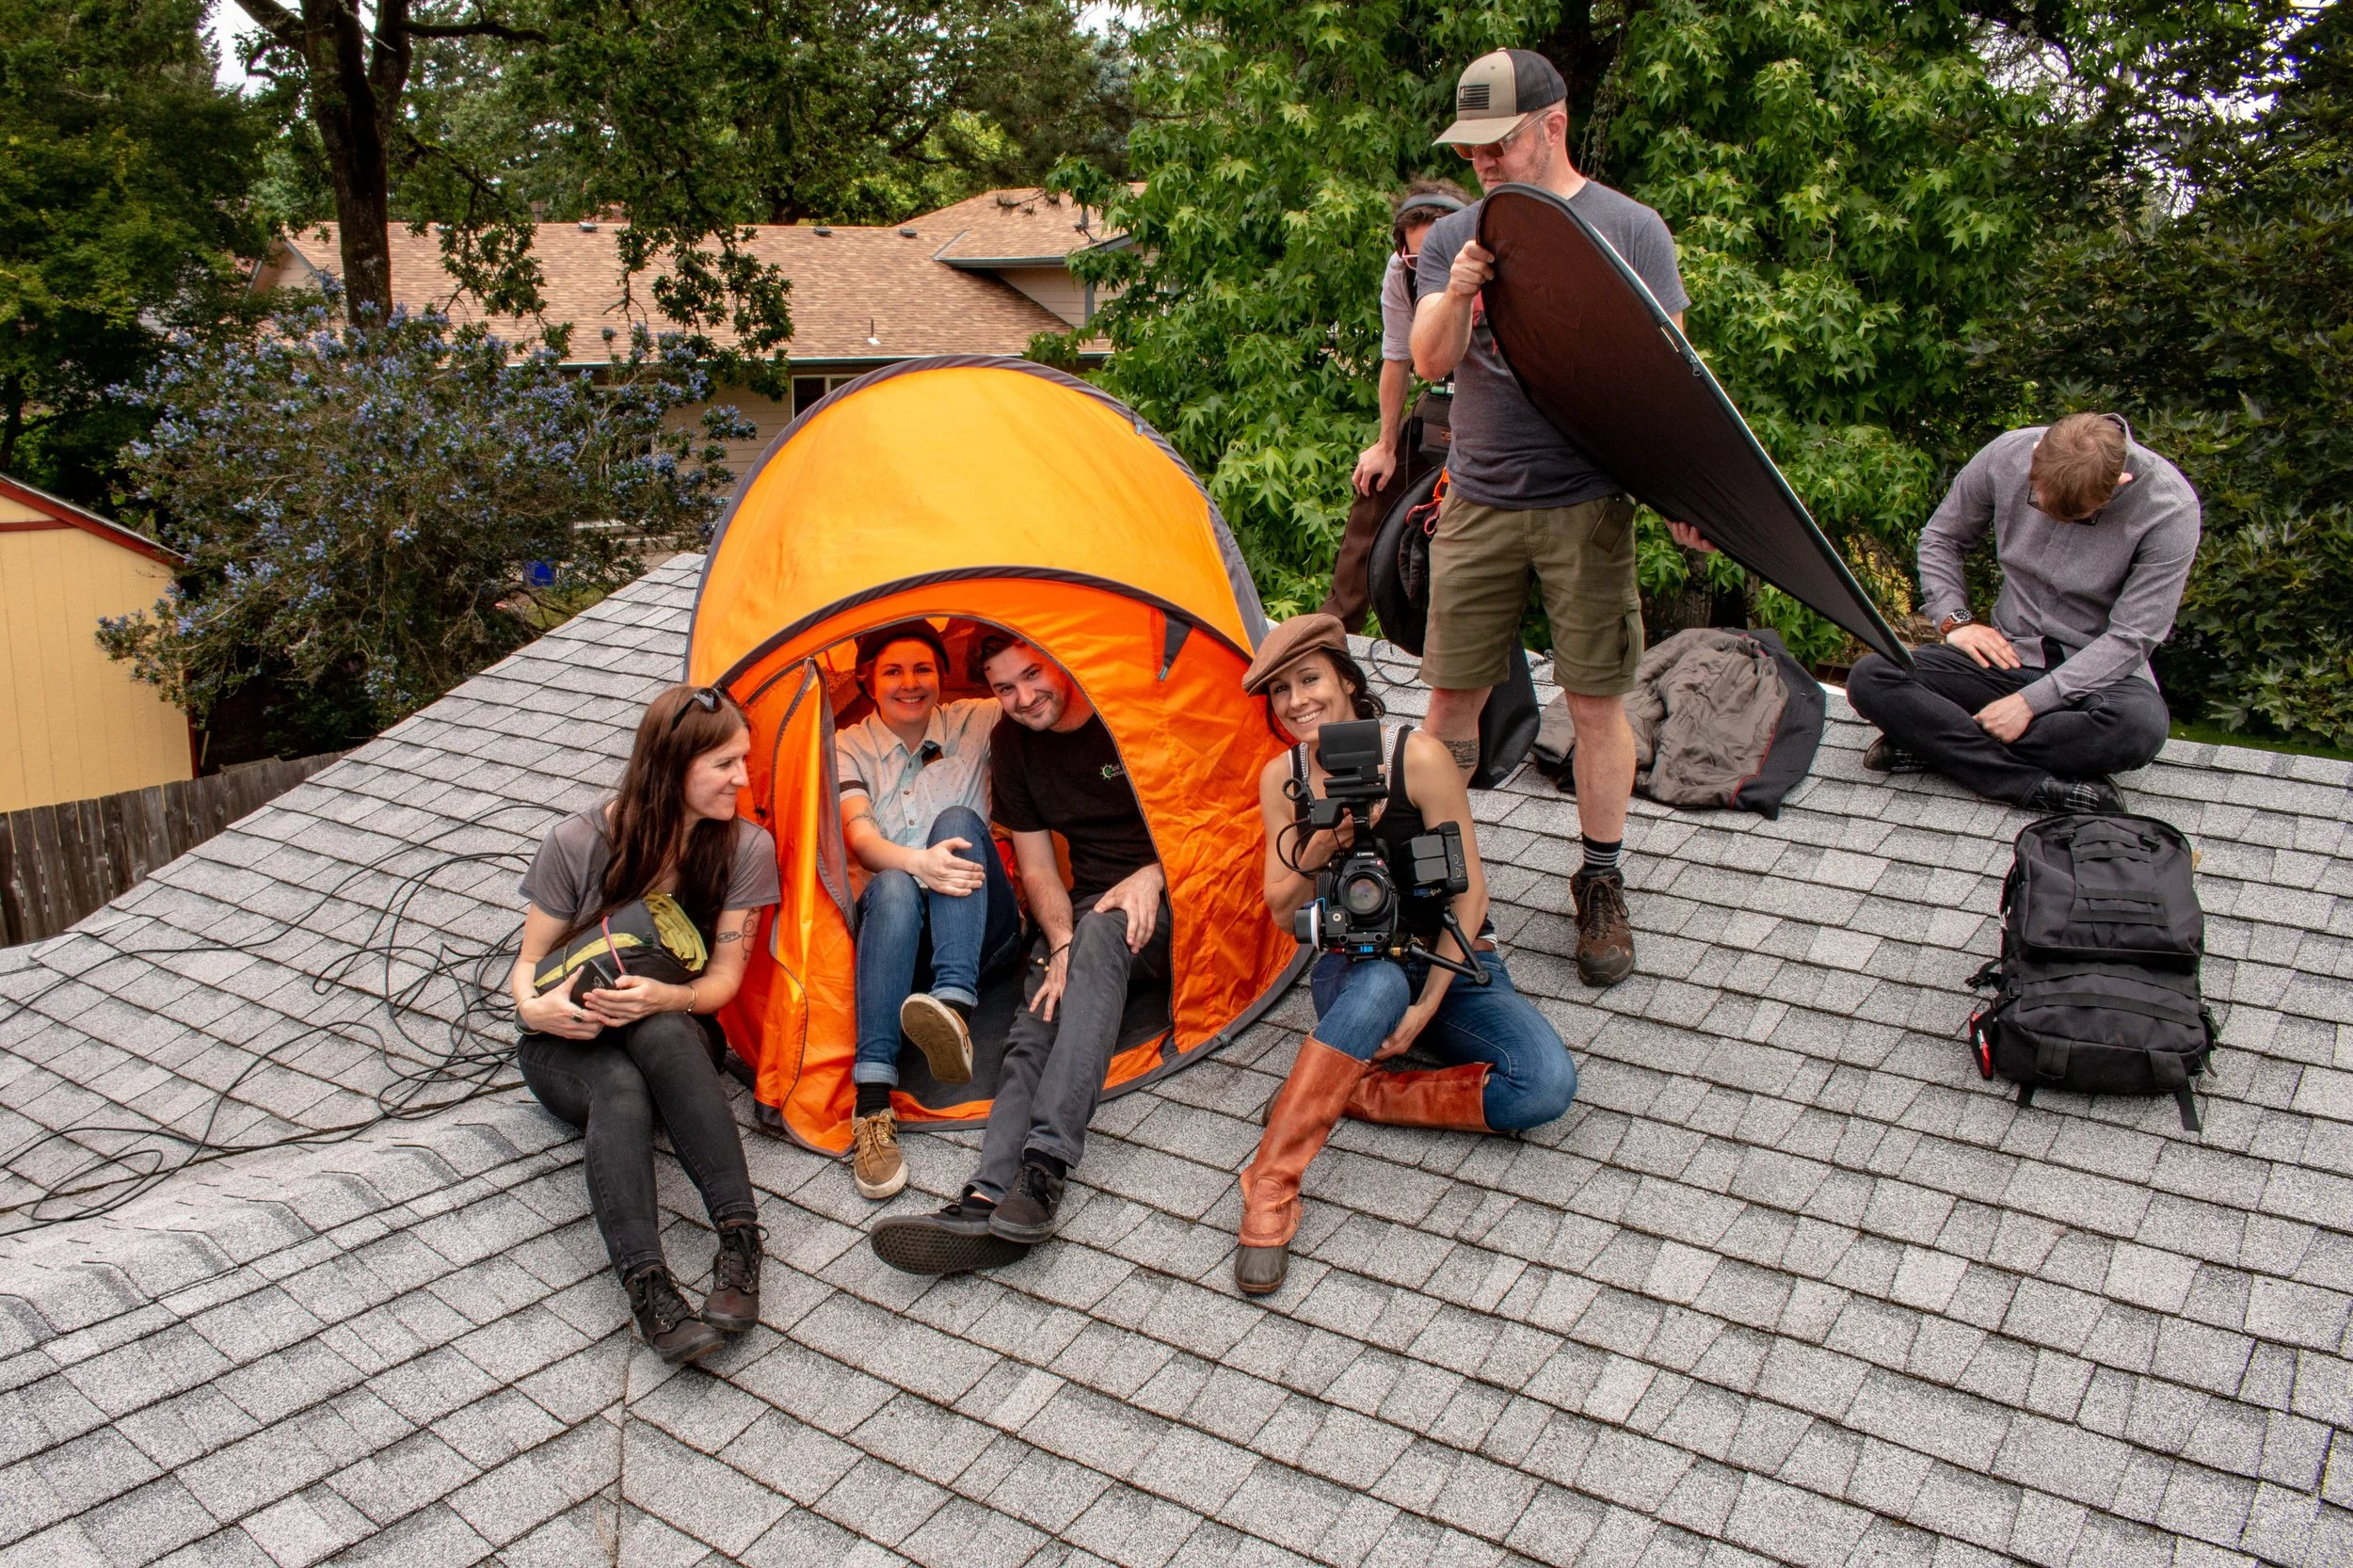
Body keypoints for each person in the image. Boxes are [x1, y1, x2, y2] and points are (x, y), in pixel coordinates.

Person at [1410, 48, 1700, 990]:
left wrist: (1686, 492)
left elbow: (1669, 380)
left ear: (1553, 125)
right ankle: (1443, 884)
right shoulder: (1457, 234)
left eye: (1498, 144)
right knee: (1449, 702)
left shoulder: (1630, 228)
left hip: (1587, 508)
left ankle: (1601, 878)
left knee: (1592, 700)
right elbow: (1426, 363)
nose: (1483, 163)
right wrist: (1459, 289)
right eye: (1471, 150)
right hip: (1481, 499)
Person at [1232, 615, 1579, 1295]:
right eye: (1280, 692)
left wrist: (1427, 1007)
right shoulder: (1285, 779)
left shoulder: (1416, 756)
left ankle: (1337, 1089)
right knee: (1378, 987)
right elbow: (1280, 911)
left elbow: (1471, 896)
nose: (1296, 700)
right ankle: (1270, 1188)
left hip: (1447, 955)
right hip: (1357, 965)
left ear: (1348, 682)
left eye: (1310, 680)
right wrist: (1325, 844)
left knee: (1543, 1085)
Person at [871, 633, 1168, 1273]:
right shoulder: (1013, 743)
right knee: (1034, 1021)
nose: (1024, 697)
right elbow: (1036, 869)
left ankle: (1045, 1170)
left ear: (1063, 659)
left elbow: (1208, 817)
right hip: (1088, 912)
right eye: (1005, 687)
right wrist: (1059, 941)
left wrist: (1156, 874)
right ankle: (986, 1199)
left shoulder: (1128, 714)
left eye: (1034, 675)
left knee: (1101, 932)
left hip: (1173, 900)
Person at [511, 683, 780, 1367]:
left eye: (742, 760)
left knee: (658, 1036)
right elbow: (528, 964)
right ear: (670, 765)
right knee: (619, 1088)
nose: (742, 779)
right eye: (724, 764)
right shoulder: (577, 839)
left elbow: (719, 984)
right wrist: (534, 1008)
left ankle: (739, 1241)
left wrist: (663, 997)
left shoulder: (745, 847)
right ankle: (648, 1287)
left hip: (672, 1030)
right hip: (568, 1046)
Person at [1846, 412, 2198, 811]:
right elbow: (1941, 538)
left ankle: (1935, 745)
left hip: (2097, 673)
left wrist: (2030, 703)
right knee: (1872, 676)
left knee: (2139, 729)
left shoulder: (2170, 509)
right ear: (2034, 459)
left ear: (2119, 486)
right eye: (2039, 503)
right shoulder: (2006, 454)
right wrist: (1954, 621)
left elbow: (2133, 636)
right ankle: (2033, 785)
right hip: (2005, 656)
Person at [835, 621, 1021, 1201]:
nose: (910, 683)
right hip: (898, 947)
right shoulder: (848, 745)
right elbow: (859, 838)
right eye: (893, 671)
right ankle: (871, 1108)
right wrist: (921, 866)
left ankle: (955, 1010)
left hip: (981, 930)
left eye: (923, 670)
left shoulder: (979, 719)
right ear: (868, 680)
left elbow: (1047, 689)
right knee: (889, 882)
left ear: (942, 676)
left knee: (959, 824)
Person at [1320, 178, 1473, 631]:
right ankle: (1331, 633)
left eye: (1436, 256)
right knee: (1375, 486)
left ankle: (1449, 640)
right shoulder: (1401, 270)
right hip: (1442, 392)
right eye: (1415, 256)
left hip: (1495, 405)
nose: (1425, 266)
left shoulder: (1491, 266)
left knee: (1462, 518)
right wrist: (1385, 444)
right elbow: (1397, 357)